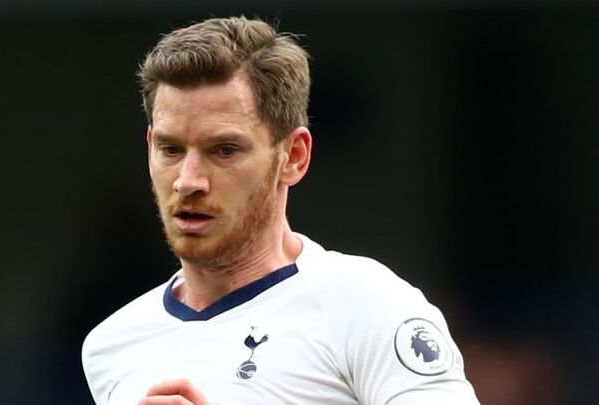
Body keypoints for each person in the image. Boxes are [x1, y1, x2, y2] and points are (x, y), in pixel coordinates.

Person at [82, 16, 480, 405]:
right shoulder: (111, 346)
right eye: (170, 149)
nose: (188, 181)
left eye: (224, 150)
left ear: (294, 156)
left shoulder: (366, 307)